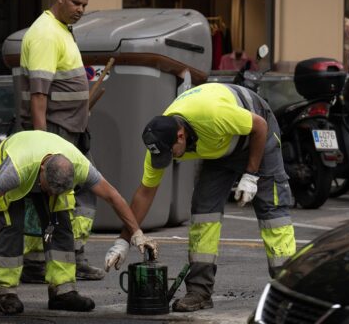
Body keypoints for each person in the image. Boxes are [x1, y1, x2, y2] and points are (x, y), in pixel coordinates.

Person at [104, 83, 296, 312]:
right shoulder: (160, 141)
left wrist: (251, 175)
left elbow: (260, 126)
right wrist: (124, 240)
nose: (170, 158)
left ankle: (290, 291)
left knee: (273, 214)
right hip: (220, 145)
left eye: (171, 152)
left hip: (256, 134)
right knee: (204, 212)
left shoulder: (213, 115)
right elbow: (145, 193)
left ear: (181, 135)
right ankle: (199, 292)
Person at [0, 130, 158, 314]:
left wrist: (136, 233)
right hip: (11, 171)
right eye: (49, 188)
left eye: (55, 191)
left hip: (42, 171)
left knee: (58, 227)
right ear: (43, 170)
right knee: (13, 228)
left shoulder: (79, 166)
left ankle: (62, 292)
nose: (51, 195)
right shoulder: (15, 172)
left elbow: (113, 196)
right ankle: (5, 292)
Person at [16, 0, 104, 282]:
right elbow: (39, 94)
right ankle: (44, 262)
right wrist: (45, 147)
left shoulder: (61, 30)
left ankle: (66, 257)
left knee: (76, 193)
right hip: (56, 131)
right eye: (76, 2)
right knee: (61, 196)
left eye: (84, 5)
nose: (80, 9)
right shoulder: (45, 33)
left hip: (72, 129)